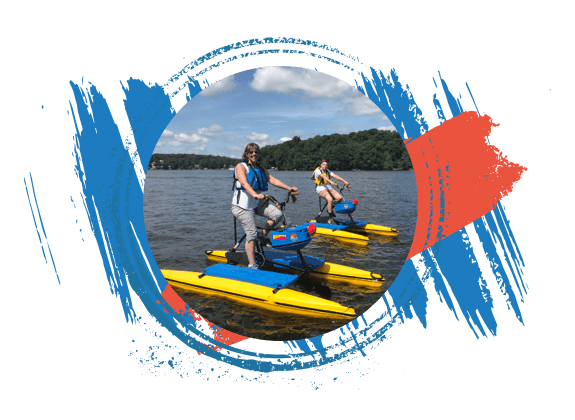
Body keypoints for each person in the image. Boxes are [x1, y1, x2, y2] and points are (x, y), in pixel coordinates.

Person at [232, 143, 298, 269]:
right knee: (251, 234)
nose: (253, 154)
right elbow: (244, 183)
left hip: (256, 204)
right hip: (242, 207)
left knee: (277, 214)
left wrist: (289, 188)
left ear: (259, 154)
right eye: (251, 152)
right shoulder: (241, 166)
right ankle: (252, 265)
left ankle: (262, 235)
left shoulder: (261, 169)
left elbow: (273, 180)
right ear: (247, 154)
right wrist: (255, 195)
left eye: (256, 152)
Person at [311, 159, 349, 224]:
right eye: (324, 164)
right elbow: (323, 176)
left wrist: (344, 181)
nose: (325, 166)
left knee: (340, 198)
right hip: (320, 188)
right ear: (321, 165)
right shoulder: (318, 170)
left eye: (326, 165)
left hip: (328, 187)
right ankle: (330, 218)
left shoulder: (327, 171)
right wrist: (330, 181)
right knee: (330, 199)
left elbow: (335, 176)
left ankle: (330, 208)